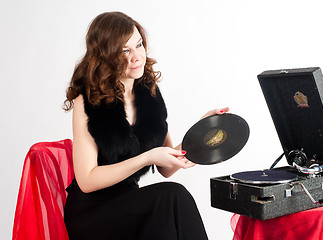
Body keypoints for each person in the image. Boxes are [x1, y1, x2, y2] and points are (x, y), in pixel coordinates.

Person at [63, 11, 229, 240]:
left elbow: (167, 167)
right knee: (171, 198)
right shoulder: (88, 101)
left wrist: (200, 131)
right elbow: (87, 180)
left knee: (164, 222)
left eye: (139, 45)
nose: (137, 57)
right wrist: (147, 157)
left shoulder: (148, 92)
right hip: (91, 213)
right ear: (105, 56)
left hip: (131, 204)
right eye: (124, 51)